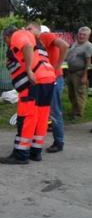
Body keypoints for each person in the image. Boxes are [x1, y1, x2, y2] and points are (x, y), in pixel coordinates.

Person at [0, 27, 56, 165]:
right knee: (41, 117)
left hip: (35, 81)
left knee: (26, 117)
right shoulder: (35, 38)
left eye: (5, 40)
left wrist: (29, 70)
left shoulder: (18, 35)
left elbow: (27, 46)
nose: (7, 43)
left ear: (7, 36)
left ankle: (21, 154)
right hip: (48, 77)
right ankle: (35, 152)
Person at [26, 23, 69, 153]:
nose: (26, 31)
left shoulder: (45, 36)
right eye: (25, 29)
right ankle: (36, 140)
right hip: (43, 79)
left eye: (29, 28)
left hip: (53, 78)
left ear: (38, 30)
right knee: (41, 110)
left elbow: (65, 46)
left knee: (54, 111)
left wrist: (57, 66)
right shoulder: (34, 41)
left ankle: (59, 142)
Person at [65, 26, 92, 120]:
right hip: (71, 72)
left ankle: (78, 113)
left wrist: (85, 75)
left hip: (79, 73)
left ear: (88, 36)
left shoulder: (88, 46)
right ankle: (74, 110)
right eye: (80, 34)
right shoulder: (75, 43)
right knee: (71, 93)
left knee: (79, 93)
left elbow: (88, 62)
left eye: (84, 35)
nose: (81, 36)